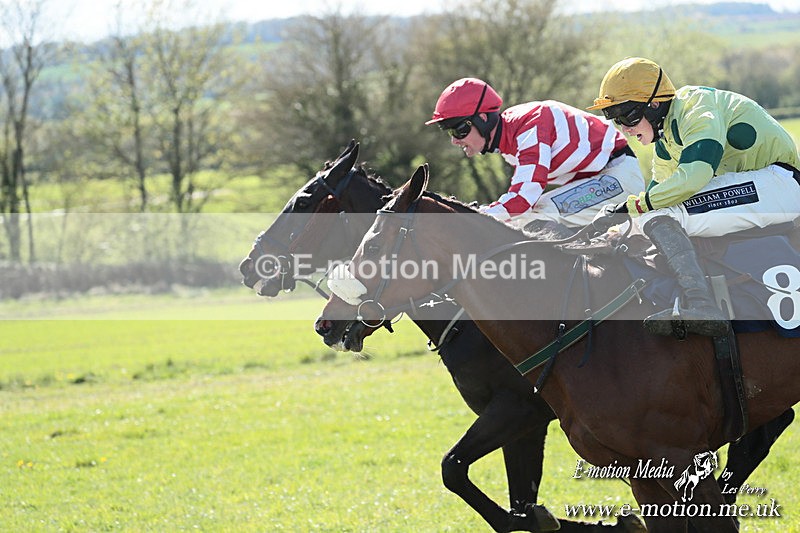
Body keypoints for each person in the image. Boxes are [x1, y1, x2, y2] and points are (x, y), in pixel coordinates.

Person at [588, 57, 800, 337]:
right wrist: (621, 222)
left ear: (654, 105)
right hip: (760, 185)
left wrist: (629, 207)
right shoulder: (666, 140)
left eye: (628, 117)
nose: (625, 129)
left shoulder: (695, 108)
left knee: (662, 214)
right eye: (616, 121)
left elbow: (694, 176)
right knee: (654, 214)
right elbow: (659, 192)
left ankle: (702, 306)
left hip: (781, 184)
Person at [425, 77, 645, 230]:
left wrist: (476, 218)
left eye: (459, 129)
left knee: (536, 214)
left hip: (618, 176)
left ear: (482, 119)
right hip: (603, 177)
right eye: (449, 133)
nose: (455, 140)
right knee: (526, 217)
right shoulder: (510, 143)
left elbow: (522, 198)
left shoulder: (528, 127)